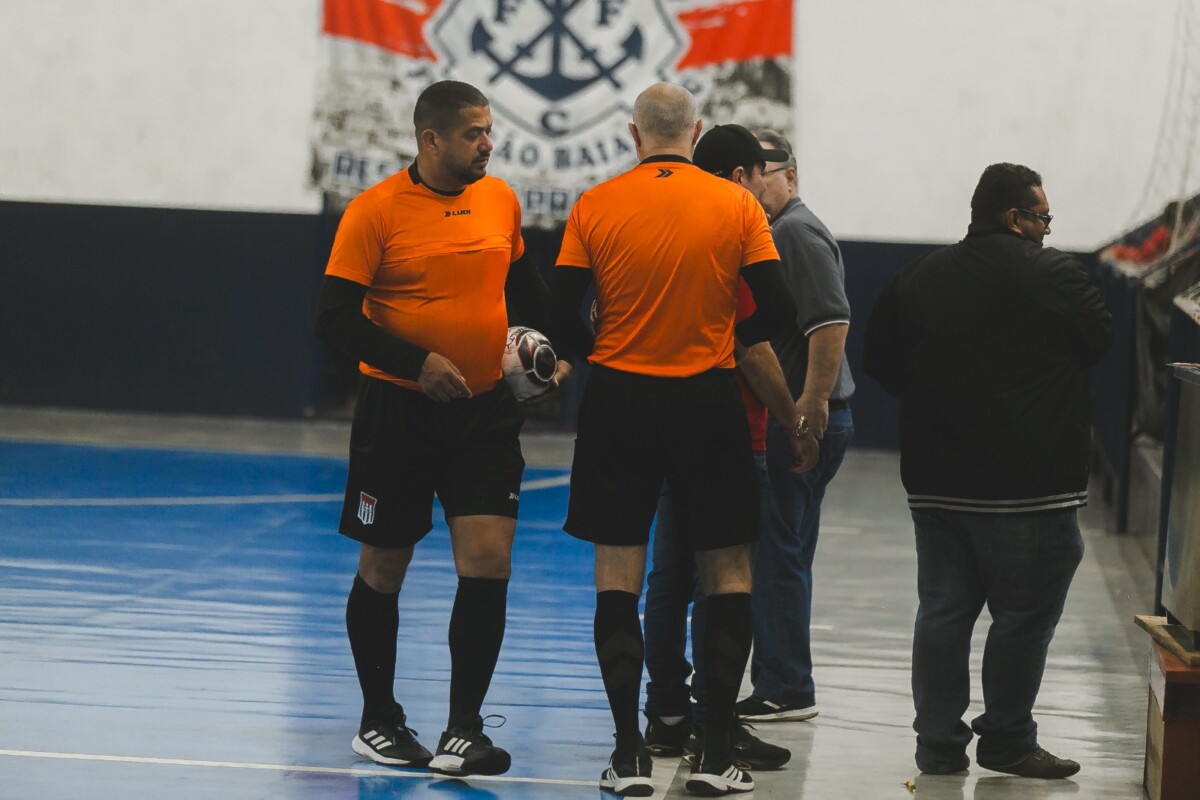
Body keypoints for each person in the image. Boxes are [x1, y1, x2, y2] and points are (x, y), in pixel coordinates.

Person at [547, 84, 800, 797]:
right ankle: (715, 754)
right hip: (707, 399)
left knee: (618, 573)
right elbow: (779, 307)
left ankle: (629, 754)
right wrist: (722, 332)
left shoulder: (594, 205)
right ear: (696, 132)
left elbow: (561, 314)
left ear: (634, 135)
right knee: (727, 572)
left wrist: (603, 347)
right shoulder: (738, 206)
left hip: (618, 399)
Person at [313, 79, 549, 777]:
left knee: (489, 561)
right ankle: (378, 720)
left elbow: (526, 292)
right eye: (474, 133)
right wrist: (415, 364)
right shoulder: (375, 211)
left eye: (489, 131)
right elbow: (332, 320)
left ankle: (463, 731)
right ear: (430, 139)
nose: (488, 143)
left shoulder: (500, 199)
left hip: (484, 413)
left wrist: (557, 353)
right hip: (399, 414)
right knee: (384, 566)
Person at [862, 162, 1112, 779]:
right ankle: (1007, 739)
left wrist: (938, 402)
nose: (1048, 230)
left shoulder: (916, 277)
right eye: (1044, 218)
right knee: (1024, 617)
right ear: (1015, 218)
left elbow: (879, 361)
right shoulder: (1056, 276)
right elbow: (1099, 342)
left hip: (937, 484)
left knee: (942, 612)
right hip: (1030, 486)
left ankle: (937, 747)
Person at [641, 124, 815, 773]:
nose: (765, 191)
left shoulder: (663, 225)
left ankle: (665, 713)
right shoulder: (730, 232)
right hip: (729, 431)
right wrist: (795, 419)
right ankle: (714, 720)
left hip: (662, 421)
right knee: (723, 581)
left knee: (668, 575)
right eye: (760, 176)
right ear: (742, 177)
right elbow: (751, 345)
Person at [733, 130, 856, 724]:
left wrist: (808, 405)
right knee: (785, 549)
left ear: (791, 175)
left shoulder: (794, 233)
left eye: (765, 170)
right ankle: (781, 678)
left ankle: (784, 686)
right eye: (747, 172)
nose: (754, 182)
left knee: (778, 551)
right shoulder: (777, 231)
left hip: (801, 418)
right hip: (802, 414)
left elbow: (830, 322)